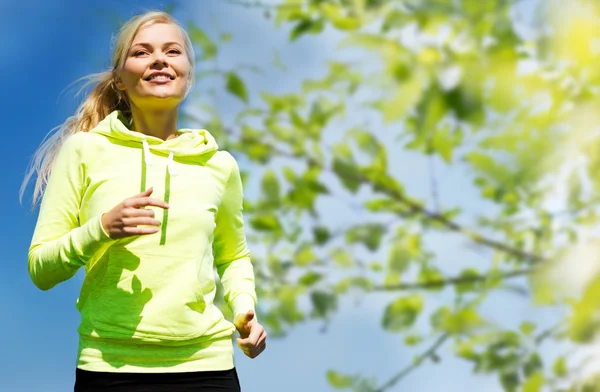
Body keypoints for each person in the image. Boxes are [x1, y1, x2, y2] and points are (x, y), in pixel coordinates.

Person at [21, 10, 266, 392]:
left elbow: (233, 256)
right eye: (142, 52)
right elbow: (41, 268)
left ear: (187, 74)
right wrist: (100, 229)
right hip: (108, 368)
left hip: (208, 368)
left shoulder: (219, 165)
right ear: (119, 78)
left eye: (173, 51)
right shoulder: (84, 151)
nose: (159, 60)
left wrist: (245, 309)